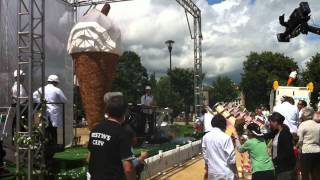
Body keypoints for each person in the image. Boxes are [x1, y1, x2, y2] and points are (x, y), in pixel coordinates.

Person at [87, 92, 136, 180]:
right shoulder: (122, 133)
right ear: (124, 114)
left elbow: (89, 157)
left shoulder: (95, 129)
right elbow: (128, 168)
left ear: (107, 112)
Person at [33, 75, 67, 146]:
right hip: (55, 112)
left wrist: (41, 102)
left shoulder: (42, 89)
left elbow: (34, 95)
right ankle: (59, 144)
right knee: (58, 128)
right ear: (55, 82)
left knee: (46, 128)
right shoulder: (57, 90)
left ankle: (46, 144)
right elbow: (64, 100)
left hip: (45, 112)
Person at [202, 114, 237, 180]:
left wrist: (207, 170)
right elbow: (232, 159)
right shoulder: (226, 137)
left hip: (212, 173)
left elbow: (205, 156)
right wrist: (236, 173)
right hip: (225, 173)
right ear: (224, 125)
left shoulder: (205, 137)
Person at [266, 112, 296, 180]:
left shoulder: (285, 134)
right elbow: (267, 135)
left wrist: (276, 160)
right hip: (279, 167)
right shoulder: (276, 132)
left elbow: (287, 152)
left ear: (276, 122)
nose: (270, 124)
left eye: (271, 122)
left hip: (285, 168)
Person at [297, 107, 320, 180]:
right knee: (316, 173)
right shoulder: (318, 125)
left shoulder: (303, 125)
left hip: (306, 151)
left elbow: (300, 140)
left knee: (305, 174)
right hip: (317, 151)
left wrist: (300, 149)